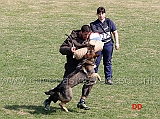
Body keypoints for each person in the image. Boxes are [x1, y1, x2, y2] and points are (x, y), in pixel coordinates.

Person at [44, 25, 95, 111]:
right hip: (72, 67)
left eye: (88, 35)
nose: (86, 36)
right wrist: (70, 49)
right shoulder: (71, 39)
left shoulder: (89, 39)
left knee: (92, 79)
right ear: (81, 32)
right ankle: (48, 101)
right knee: (63, 87)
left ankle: (82, 101)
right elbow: (62, 49)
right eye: (85, 34)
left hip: (83, 66)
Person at [90, 7, 119, 85]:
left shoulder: (109, 22)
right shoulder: (93, 24)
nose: (101, 15)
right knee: (96, 62)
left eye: (102, 13)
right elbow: (91, 37)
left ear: (105, 14)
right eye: (99, 14)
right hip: (98, 45)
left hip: (108, 44)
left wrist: (117, 43)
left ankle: (108, 79)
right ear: (97, 14)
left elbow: (115, 32)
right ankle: (93, 78)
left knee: (108, 61)